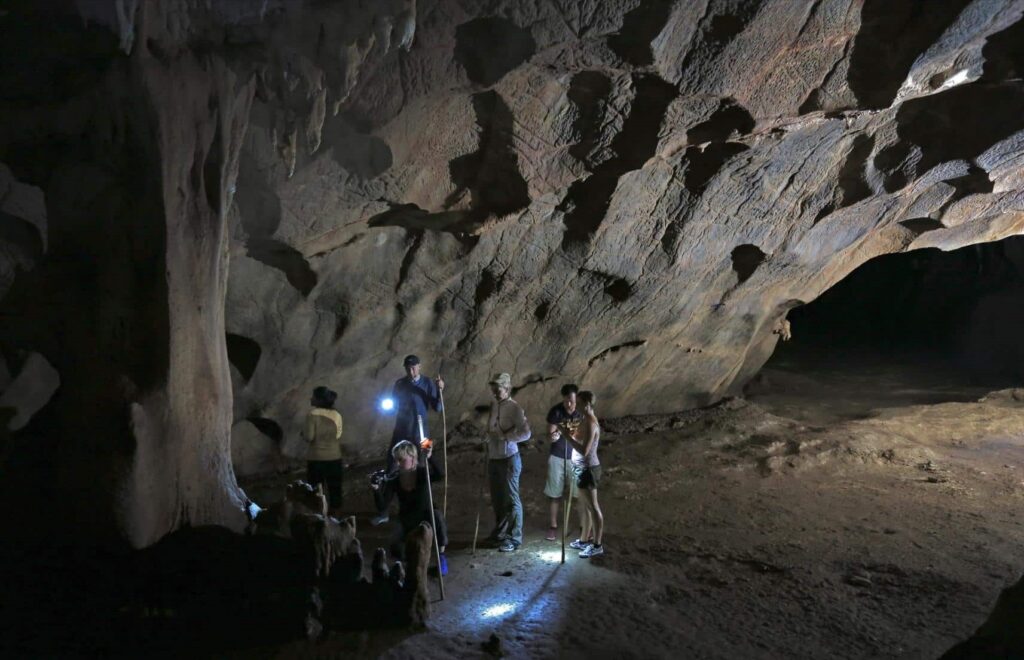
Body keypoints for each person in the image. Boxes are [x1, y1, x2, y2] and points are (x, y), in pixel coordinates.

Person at [372, 354, 445, 526]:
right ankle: (383, 511)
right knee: (391, 464)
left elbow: (438, 407)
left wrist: (440, 390)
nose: (411, 371)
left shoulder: (427, 383)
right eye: (407, 368)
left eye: (413, 367)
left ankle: (426, 505)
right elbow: (393, 404)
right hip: (401, 429)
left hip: (422, 431)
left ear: (419, 366)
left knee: (426, 462)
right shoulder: (400, 384)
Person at [372, 440, 448, 575]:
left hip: (427, 515)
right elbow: (382, 506)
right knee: (396, 548)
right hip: (407, 518)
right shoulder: (394, 479)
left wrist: (430, 457)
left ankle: (441, 559)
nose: (397, 463)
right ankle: (413, 566)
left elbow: (440, 475)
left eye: (401, 459)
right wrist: (376, 489)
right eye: (396, 459)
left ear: (412, 457)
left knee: (438, 517)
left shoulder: (422, 473)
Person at [485, 372, 531, 552]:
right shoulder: (494, 405)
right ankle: (501, 533)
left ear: (507, 389)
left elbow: (526, 433)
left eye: (499, 390)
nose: (496, 393)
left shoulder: (514, 408)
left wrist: (507, 437)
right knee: (497, 499)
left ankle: (514, 537)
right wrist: (488, 436)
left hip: (509, 458)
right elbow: (491, 427)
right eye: (494, 390)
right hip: (494, 458)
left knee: (512, 498)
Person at [564, 390, 604, 558]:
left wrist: (567, 437)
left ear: (587, 404)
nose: (575, 406)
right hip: (581, 469)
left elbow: (584, 450)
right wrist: (570, 432)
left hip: (588, 469)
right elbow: (578, 438)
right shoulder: (583, 420)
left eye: (579, 403)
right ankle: (584, 540)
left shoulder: (590, 422)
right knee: (585, 507)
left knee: (593, 507)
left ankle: (597, 544)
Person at [543, 384, 583, 541]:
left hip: (575, 458)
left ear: (576, 399)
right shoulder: (556, 411)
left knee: (579, 495)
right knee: (554, 494)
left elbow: (585, 434)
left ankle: (583, 526)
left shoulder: (581, 413)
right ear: (563, 399)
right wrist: (554, 435)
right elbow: (550, 435)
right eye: (567, 401)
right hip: (557, 456)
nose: (569, 405)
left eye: (572, 401)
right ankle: (553, 526)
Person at [303, 386, 344, 515]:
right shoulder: (337, 414)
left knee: (316, 489)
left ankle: (318, 514)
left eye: (313, 396)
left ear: (319, 400)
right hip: (335, 457)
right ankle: (335, 515)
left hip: (316, 459)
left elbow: (309, 437)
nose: (311, 398)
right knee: (335, 488)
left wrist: (303, 434)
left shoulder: (312, 415)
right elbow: (338, 434)